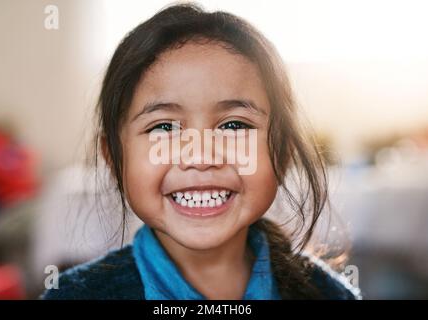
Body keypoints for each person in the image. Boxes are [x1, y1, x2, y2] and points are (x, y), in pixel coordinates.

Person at [42, 3, 360, 300]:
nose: (200, 156)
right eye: (164, 127)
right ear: (114, 158)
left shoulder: (327, 293)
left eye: (234, 126)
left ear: (282, 152)